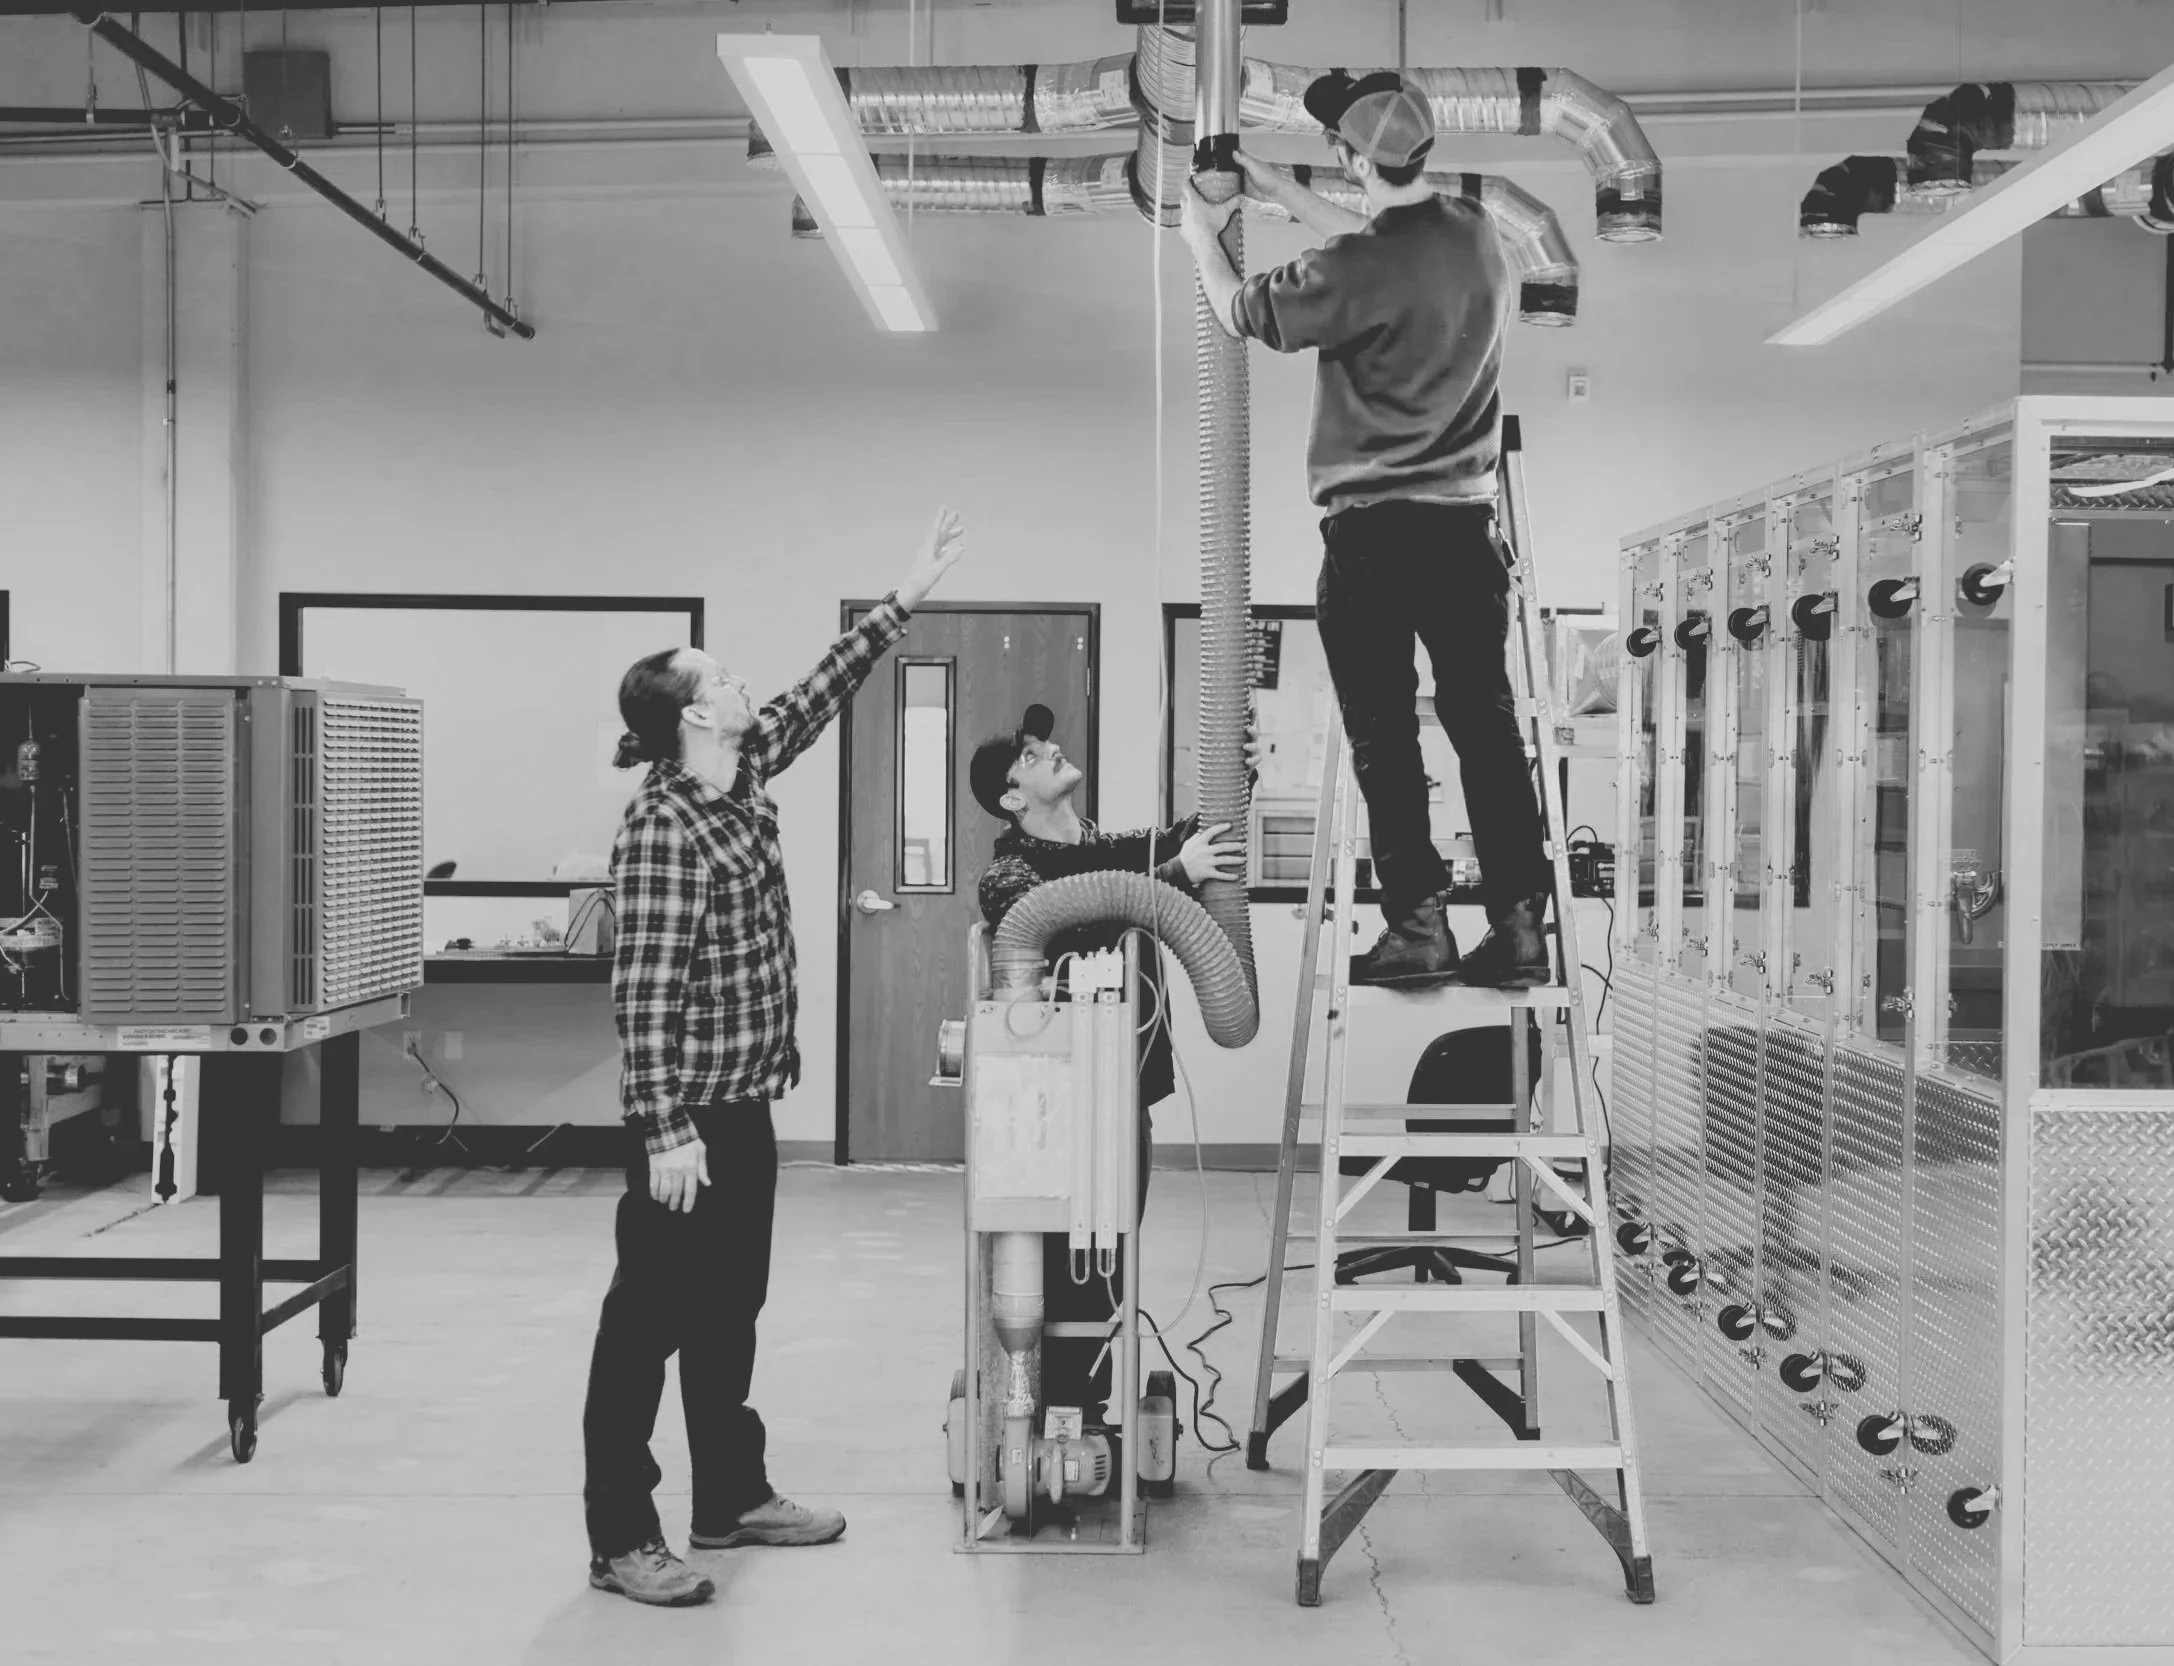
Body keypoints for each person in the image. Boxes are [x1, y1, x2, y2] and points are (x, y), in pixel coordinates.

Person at [582, 507, 967, 1608]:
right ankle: (621, 1536)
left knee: (726, 1310)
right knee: (643, 1325)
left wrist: (904, 596)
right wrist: (661, 1129)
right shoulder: (664, 828)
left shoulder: (739, 780)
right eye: (727, 675)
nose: (748, 684)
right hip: (687, 1121)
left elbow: (814, 692)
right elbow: (642, 992)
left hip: (740, 1104)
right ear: (695, 713)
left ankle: (729, 1497)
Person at [1177, 71, 1550, 992]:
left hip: (1374, 538)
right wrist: (1278, 190)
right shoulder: (1478, 233)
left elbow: (1240, 307)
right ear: (1423, 152)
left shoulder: (1347, 272)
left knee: (1385, 737)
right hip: (1466, 534)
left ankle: (1418, 926)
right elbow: (1378, 242)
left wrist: (1198, 235)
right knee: (1486, 728)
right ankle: (1518, 925)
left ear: (1350, 158)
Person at [969, 709, 1248, 1421]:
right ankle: (1046, 1409)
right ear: (1011, 796)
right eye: (1032, 753)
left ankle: (1085, 1415)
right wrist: (1170, 877)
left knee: (1109, 1250)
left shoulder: (1104, 846)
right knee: (1052, 1258)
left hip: (1126, 1091)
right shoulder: (1009, 872)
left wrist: (1236, 766)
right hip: (1051, 1103)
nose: (1052, 748)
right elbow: (1047, 920)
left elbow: (1184, 837)